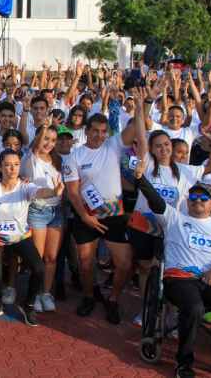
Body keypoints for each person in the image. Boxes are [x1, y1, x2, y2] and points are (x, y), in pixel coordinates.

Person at [134, 172, 211, 378]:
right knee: (195, 307)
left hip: (209, 280)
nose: (198, 201)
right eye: (193, 198)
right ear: (187, 201)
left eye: (203, 198)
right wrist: (140, 178)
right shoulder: (174, 218)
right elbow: (154, 199)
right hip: (179, 280)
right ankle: (184, 363)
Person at [63, 89, 143, 325]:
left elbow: (137, 128)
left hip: (115, 216)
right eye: (94, 131)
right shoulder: (74, 157)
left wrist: (142, 105)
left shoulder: (114, 145)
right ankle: (89, 296)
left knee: (125, 264)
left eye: (102, 131)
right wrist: (85, 218)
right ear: (86, 132)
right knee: (86, 264)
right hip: (86, 217)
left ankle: (114, 299)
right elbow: (73, 192)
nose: (99, 135)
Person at [0, 149, 64, 324]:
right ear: (0, 166)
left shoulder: (25, 186)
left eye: (15, 165)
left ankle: (28, 305)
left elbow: (39, 192)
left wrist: (54, 191)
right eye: (7, 165)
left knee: (39, 269)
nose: (12, 168)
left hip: (20, 237)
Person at [21, 123, 64, 313]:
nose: (49, 143)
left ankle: (46, 292)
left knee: (51, 257)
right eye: (46, 138)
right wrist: (44, 128)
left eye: (53, 140)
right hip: (37, 211)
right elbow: (36, 147)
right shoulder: (31, 158)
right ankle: (34, 293)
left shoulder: (57, 161)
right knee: (37, 258)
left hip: (56, 213)